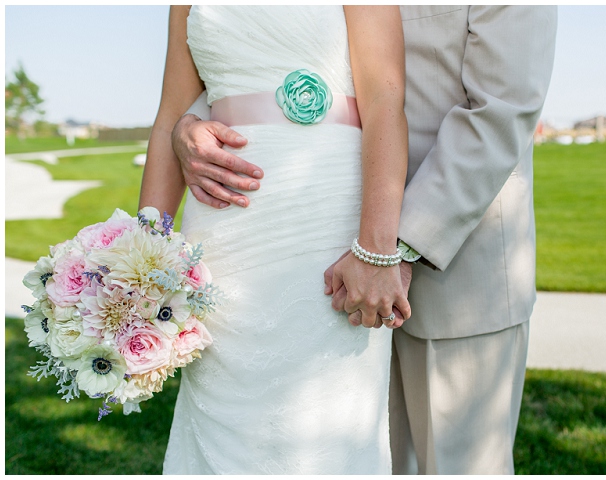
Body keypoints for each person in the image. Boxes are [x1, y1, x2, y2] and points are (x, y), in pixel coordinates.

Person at [169, 6, 558, 474]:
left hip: (453, 264)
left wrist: (389, 247)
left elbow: (500, 113)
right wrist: (185, 126)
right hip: (324, 258)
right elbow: (249, 58)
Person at [139, 5, 411, 473]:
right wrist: (139, 258)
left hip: (325, 219)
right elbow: (170, 116)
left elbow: (385, 101)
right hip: (221, 225)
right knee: (220, 410)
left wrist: (376, 250)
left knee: (326, 419)